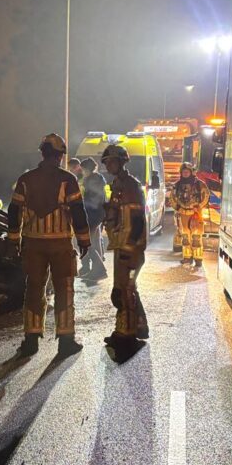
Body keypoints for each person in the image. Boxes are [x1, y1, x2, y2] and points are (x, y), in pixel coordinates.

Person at [7, 134, 90, 356]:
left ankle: (31, 341)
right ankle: (66, 341)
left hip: (33, 244)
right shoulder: (68, 179)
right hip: (60, 244)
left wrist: (14, 239)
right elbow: (78, 211)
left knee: (34, 289)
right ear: (60, 156)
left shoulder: (26, 179)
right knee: (64, 290)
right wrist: (84, 239)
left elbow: (13, 210)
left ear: (42, 153)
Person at [101, 144, 148, 349]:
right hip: (121, 246)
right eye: (107, 162)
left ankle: (126, 335)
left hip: (130, 249)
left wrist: (131, 249)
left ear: (121, 162)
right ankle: (136, 327)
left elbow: (136, 220)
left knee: (124, 291)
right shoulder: (118, 185)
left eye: (112, 161)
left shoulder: (130, 186)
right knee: (125, 289)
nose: (109, 165)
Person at [171, 162, 210, 268]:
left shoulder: (199, 184)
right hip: (183, 213)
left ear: (191, 172)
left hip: (195, 214)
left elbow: (206, 196)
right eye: (183, 172)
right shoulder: (177, 185)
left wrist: (199, 206)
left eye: (187, 172)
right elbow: (172, 198)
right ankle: (187, 257)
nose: (185, 173)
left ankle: (198, 259)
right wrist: (177, 207)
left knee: (196, 237)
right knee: (185, 237)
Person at [78, 157, 107, 282]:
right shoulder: (98, 178)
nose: (82, 172)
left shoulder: (91, 180)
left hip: (92, 215)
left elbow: (91, 200)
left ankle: (100, 270)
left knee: (87, 243)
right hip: (97, 215)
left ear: (86, 169)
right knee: (94, 242)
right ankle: (95, 270)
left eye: (83, 169)